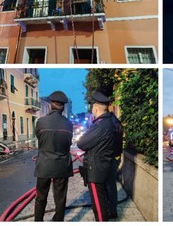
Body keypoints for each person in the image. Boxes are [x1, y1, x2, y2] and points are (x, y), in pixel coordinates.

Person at [77, 90, 123, 221]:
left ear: (96, 107)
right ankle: (111, 212)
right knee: (105, 195)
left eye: (93, 106)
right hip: (105, 164)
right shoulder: (110, 121)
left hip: (96, 170)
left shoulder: (100, 125)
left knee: (98, 203)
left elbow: (81, 143)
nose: (92, 109)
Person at [34, 91, 73, 221]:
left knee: (40, 197)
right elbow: (69, 142)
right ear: (63, 106)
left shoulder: (41, 122)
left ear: (51, 105)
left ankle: (38, 221)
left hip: (44, 165)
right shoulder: (68, 124)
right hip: (62, 165)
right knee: (60, 197)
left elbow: (39, 138)